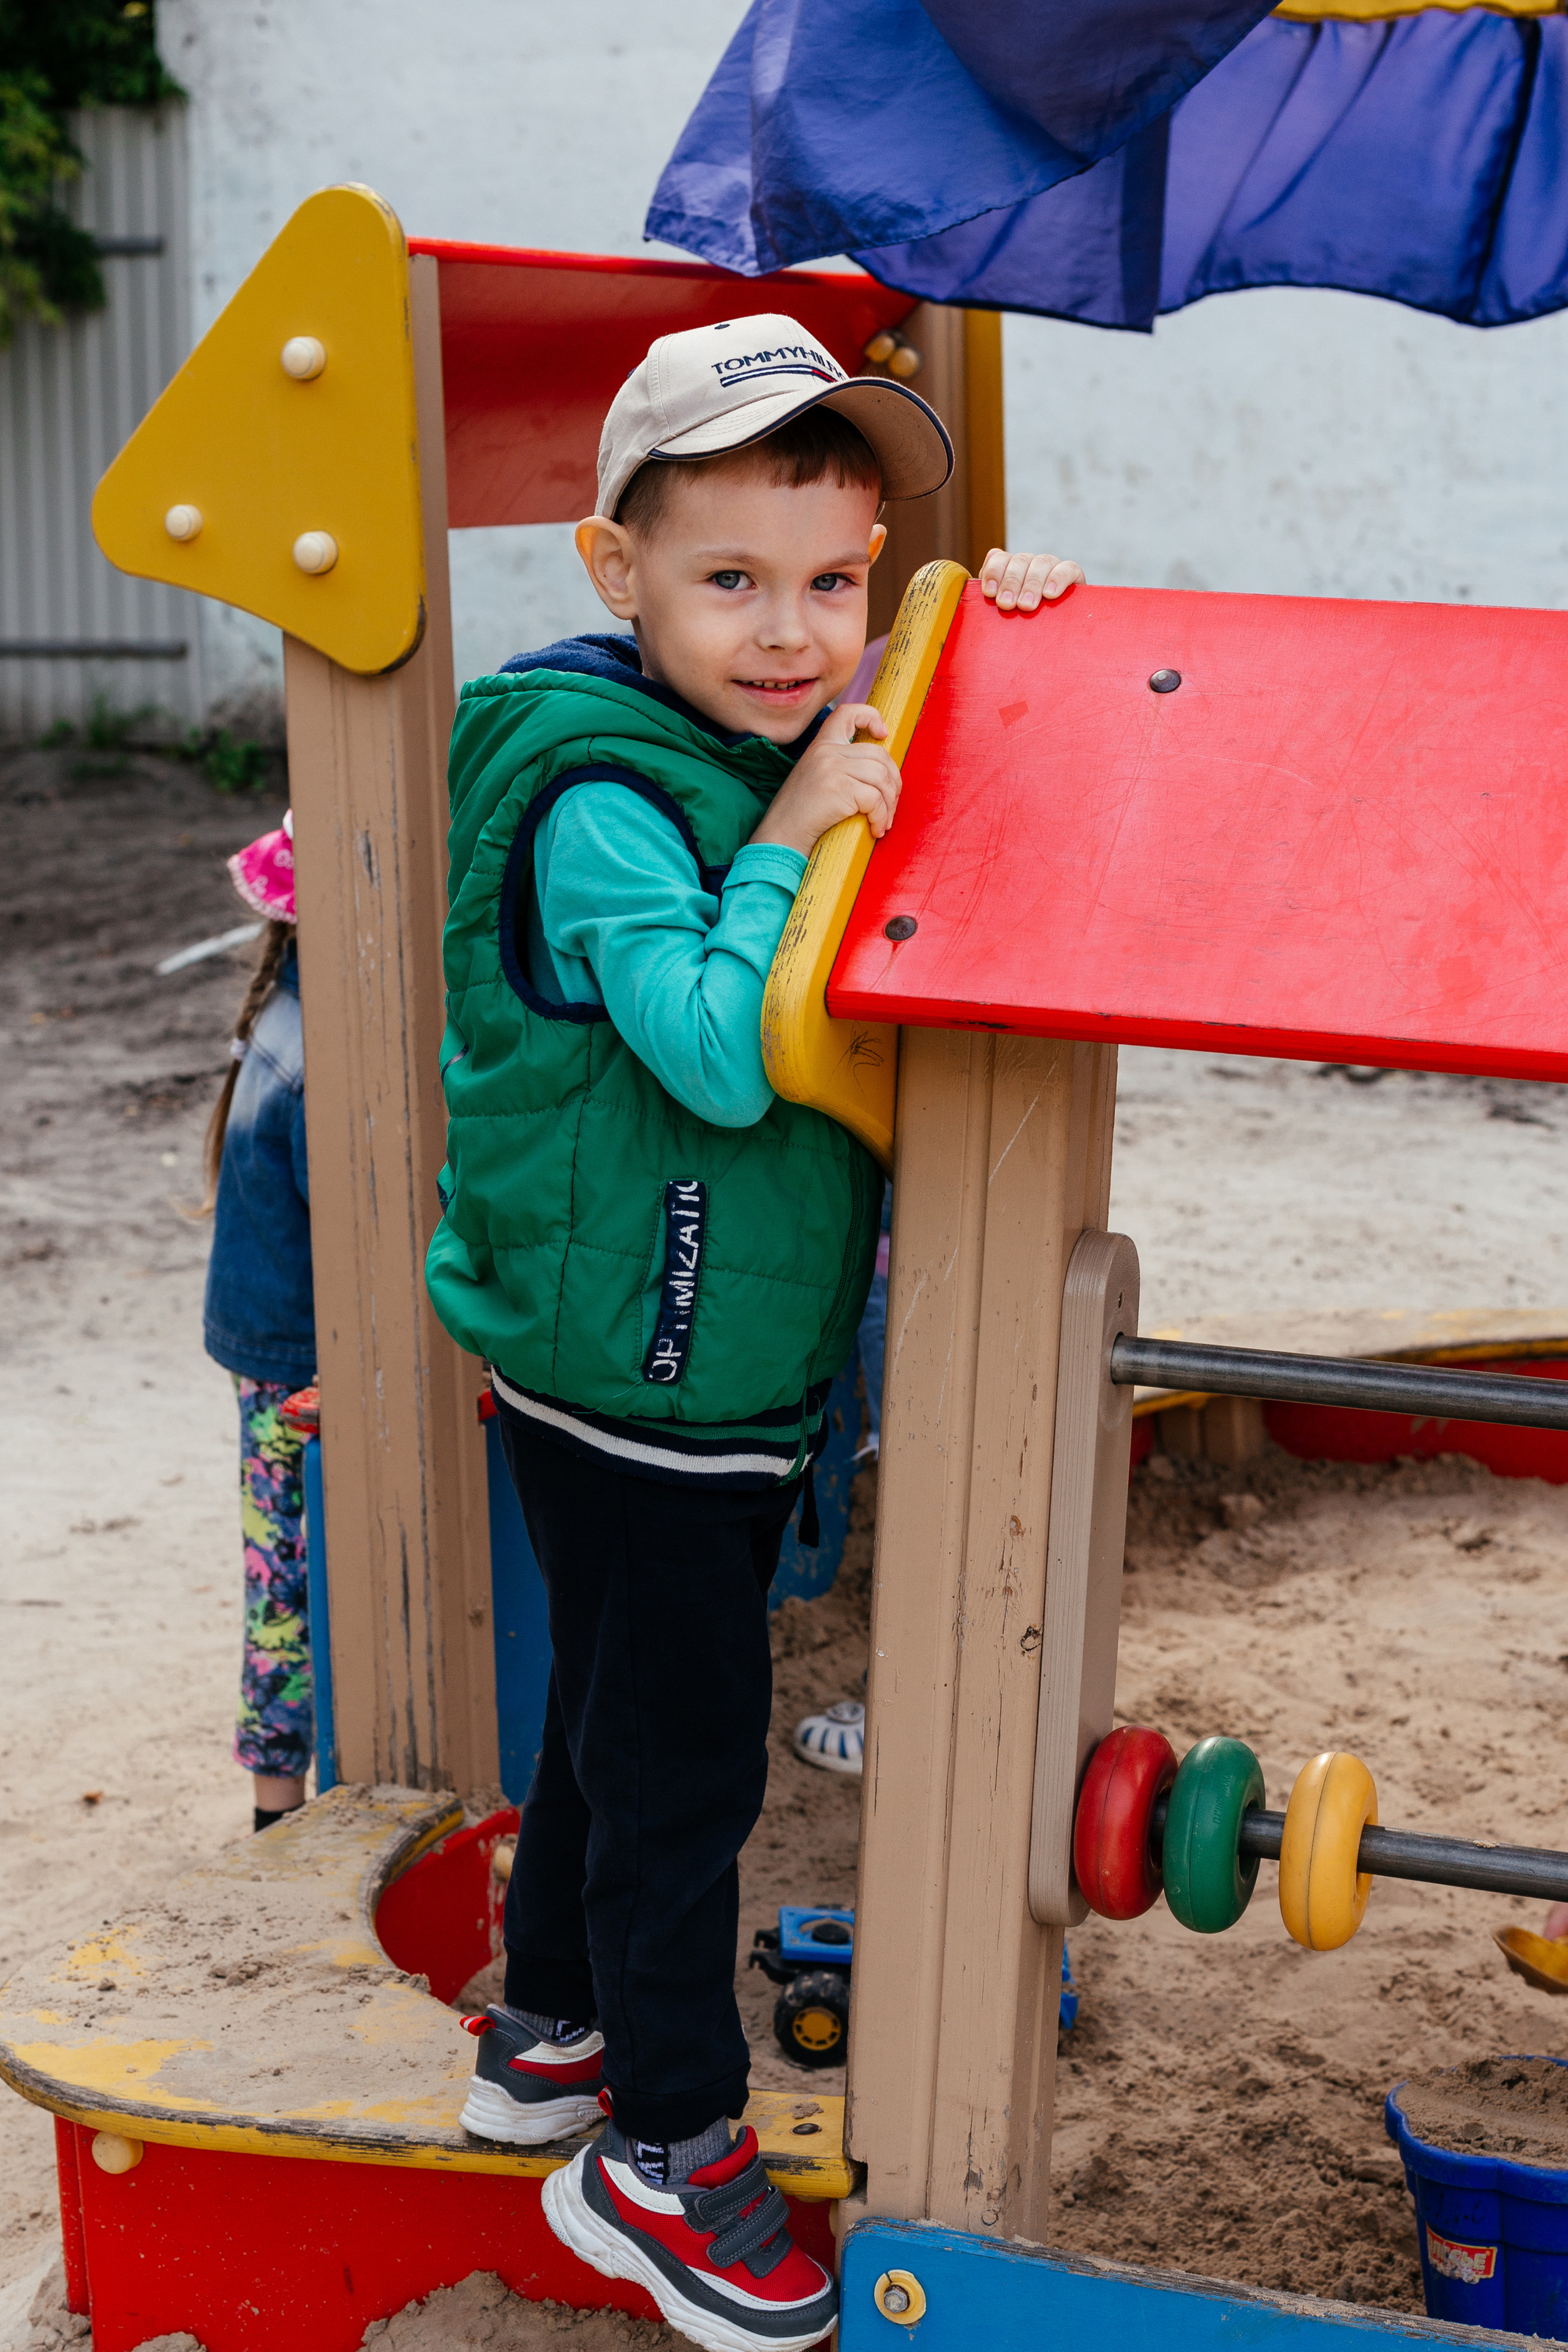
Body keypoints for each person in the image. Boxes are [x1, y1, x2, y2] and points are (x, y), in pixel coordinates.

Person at [426, 313, 1081, 2352]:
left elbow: (865, 708)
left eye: (837, 583)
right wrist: (800, 826)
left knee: (608, 1717)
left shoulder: (740, 721)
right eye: (731, 582)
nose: (792, 635)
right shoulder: (605, 798)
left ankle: (543, 2035)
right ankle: (665, 2148)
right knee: (688, 1760)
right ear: (617, 579)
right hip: (640, 1366)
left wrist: (992, 639)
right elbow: (718, 1054)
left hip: (660, 1349)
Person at [200, 812, 316, 1833]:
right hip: (292, 1356)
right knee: (288, 1587)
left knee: (276, 1570)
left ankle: (276, 1804)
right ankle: (279, 1816)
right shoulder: (326, 1055)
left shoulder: (282, 1008)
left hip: (262, 1339)